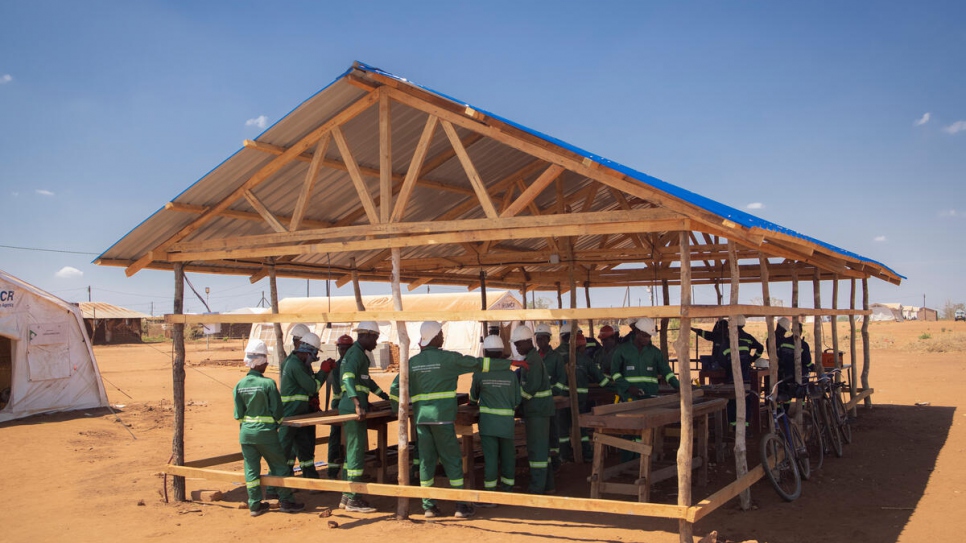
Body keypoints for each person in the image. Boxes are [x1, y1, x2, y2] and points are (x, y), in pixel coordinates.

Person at [408, 321, 512, 519]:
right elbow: (478, 363)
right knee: (452, 459)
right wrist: (510, 363)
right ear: (435, 337)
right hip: (442, 419)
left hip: (421, 420)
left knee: (426, 461)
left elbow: (398, 387)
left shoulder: (413, 362)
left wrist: (398, 408)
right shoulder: (449, 359)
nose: (443, 337)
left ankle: (428, 506)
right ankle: (461, 505)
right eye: (441, 334)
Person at [232, 340, 305, 517]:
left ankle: (255, 505)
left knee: (251, 470)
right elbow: (278, 412)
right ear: (259, 361)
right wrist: (274, 424)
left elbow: (238, 415)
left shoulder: (239, 386)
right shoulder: (268, 384)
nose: (266, 364)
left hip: (246, 434)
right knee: (279, 466)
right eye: (265, 361)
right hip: (266, 433)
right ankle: (286, 501)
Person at [338, 321, 390, 513]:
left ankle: (346, 495)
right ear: (366, 335)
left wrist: (385, 397)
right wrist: (357, 404)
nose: (376, 343)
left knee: (352, 451)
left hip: (353, 406)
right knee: (356, 452)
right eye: (375, 338)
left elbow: (366, 382)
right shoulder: (355, 354)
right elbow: (348, 379)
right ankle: (354, 499)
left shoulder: (360, 355)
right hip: (352, 408)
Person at [469, 334, 521, 501]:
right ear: (501, 353)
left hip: (488, 425)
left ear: (485, 353)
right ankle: (507, 492)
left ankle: (490, 495)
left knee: (490, 459)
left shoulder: (480, 374)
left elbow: (472, 397)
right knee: (508, 458)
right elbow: (517, 400)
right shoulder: (511, 375)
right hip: (506, 425)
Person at [278, 332, 334, 482]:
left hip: (300, 414)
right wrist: (323, 371)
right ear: (308, 351)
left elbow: (309, 383)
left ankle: (310, 480)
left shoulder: (299, 364)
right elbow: (312, 387)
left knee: (305, 449)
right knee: (284, 451)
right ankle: (274, 488)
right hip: (290, 414)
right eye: (315, 354)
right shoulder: (295, 365)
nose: (315, 358)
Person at [511, 325, 555, 495]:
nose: (516, 348)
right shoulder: (531, 358)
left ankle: (537, 487)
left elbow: (530, 388)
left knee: (537, 450)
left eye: (518, 345)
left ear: (527, 342)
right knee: (543, 450)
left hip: (537, 411)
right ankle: (548, 485)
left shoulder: (533, 361)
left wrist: (515, 403)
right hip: (538, 411)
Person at [558, 331, 613, 461]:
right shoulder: (586, 361)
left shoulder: (560, 359)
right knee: (581, 428)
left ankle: (564, 455)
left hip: (562, 400)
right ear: (582, 347)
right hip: (579, 400)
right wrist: (615, 387)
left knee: (563, 429)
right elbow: (601, 379)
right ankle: (585, 453)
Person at [610, 317, 680, 401]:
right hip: (628, 398)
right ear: (637, 332)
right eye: (644, 336)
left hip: (650, 397)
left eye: (649, 336)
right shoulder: (622, 350)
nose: (647, 339)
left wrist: (678, 386)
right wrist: (628, 387)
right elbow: (614, 373)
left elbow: (667, 372)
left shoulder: (655, 352)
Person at [534, 324, 565, 469]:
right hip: (536, 402)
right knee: (539, 432)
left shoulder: (556, 357)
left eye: (542, 338)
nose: (540, 341)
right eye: (538, 339)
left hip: (552, 401)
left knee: (553, 430)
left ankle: (555, 460)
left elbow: (561, 379)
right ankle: (543, 458)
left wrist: (554, 393)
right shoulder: (533, 357)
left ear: (548, 339)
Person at [325, 334, 355, 479]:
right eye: (341, 349)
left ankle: (347, 468)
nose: (343, 352)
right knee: (336, 438)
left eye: (346, 349)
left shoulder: (347, 364)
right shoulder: (338, 367)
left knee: (349, 437)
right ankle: (332, 471)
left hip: (346, 404)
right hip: (339, 405)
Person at [721, 315, 764, 383]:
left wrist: (728, 366)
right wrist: (752, 359)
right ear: (743, 324)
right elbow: (760, 347)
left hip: (732, 376)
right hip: (745, 374)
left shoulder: (726, 339)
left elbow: (722, 360)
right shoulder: (748, 338)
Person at [777, 317, 814, 383]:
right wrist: (814, 367)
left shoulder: (784, 342)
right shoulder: (804, 345)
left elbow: (779, 357)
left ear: (791, 330)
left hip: (785, 375)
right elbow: (807, 363)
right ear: (801, 331)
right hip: (800, 376)